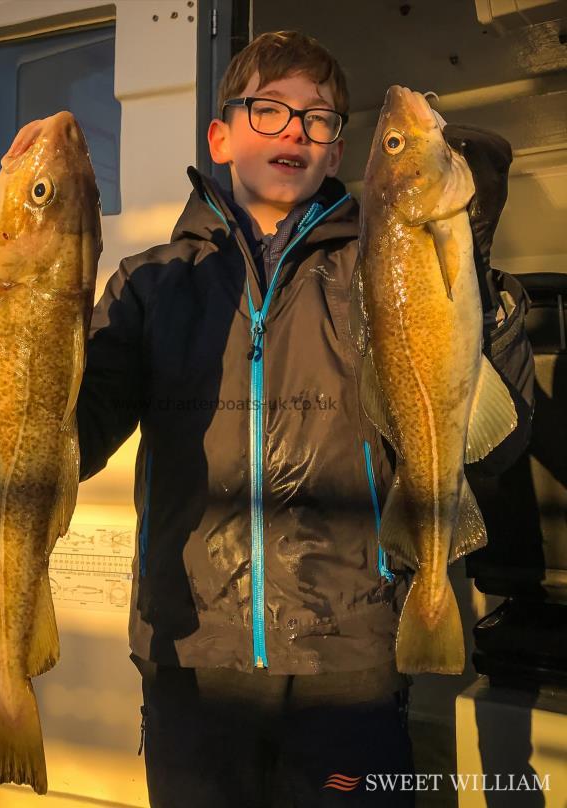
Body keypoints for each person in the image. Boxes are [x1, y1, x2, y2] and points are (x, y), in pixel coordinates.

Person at [69, 30, 532, 808]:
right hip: (190, 655)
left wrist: (476, 272)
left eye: (318, 120)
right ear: (220, 135)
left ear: (338, 150)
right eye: (270, 110)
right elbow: (70, 447)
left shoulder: (373, 269)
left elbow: (495, 443)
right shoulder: (149, 285)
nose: (294, 131)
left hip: (347, 658)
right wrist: (37, 337)